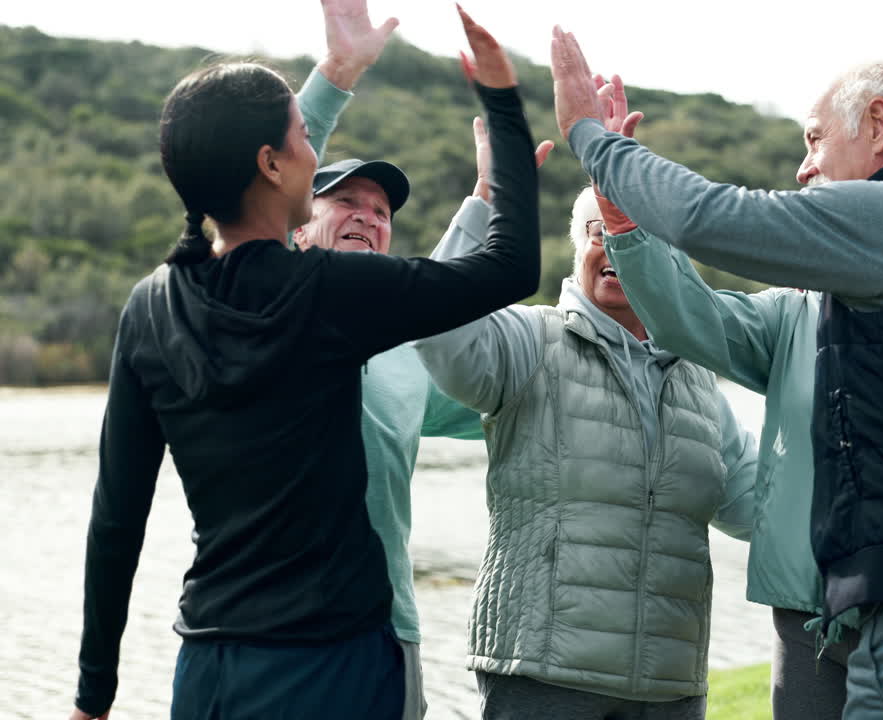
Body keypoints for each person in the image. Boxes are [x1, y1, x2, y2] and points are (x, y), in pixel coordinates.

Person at [551, 33, 883, 720]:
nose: (803, 168)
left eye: (815, 140)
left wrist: (594, 140)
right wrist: (625, 224)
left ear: (879, 125)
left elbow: (711, 218)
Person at [68, 6, 539, 719]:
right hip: (333, 662)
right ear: (271, 162)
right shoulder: (330, 294)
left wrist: (93, 693)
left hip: (209, 664)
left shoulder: (151, 305)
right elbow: (510, 267)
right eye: (302, 138)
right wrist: (503, 101)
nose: (313, 150)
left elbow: (116, 517)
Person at [416, 174, 758, 717]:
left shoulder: (700, 377)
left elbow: (756, 502)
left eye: (635, 233)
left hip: (667, 686)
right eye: (600, 231)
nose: (615, 246)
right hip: (543, 675)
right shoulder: (531, 340)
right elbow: (437, 329)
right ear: (579, 246)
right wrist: (483, 204)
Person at [290, 134, 551, 718]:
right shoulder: (266, 313)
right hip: (273, 627)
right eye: (345, 200)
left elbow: (501, 381)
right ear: (297, 227)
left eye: (381, 212)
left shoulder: (406, 348)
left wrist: (490, 196)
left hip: (383, 627)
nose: (367, 215)